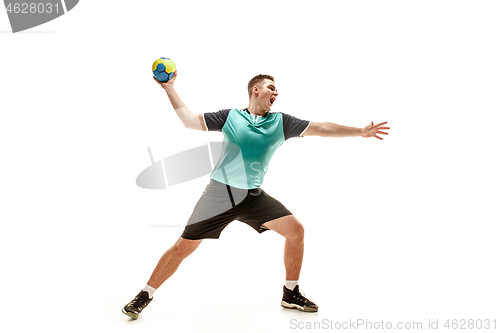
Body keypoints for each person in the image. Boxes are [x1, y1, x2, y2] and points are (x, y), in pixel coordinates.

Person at [122, 72, 389, 319]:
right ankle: (144, 295)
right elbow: (190, 121)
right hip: (219, 194)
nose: (276, 93)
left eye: (276, 90)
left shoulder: (281, 122)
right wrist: (169, 88)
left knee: (296, 230)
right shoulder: (230, 117)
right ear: (255, 89)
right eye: (272, 88)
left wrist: (359, 132)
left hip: (253, 196)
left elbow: (321, 128)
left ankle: (290, 293)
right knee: (183, 247)